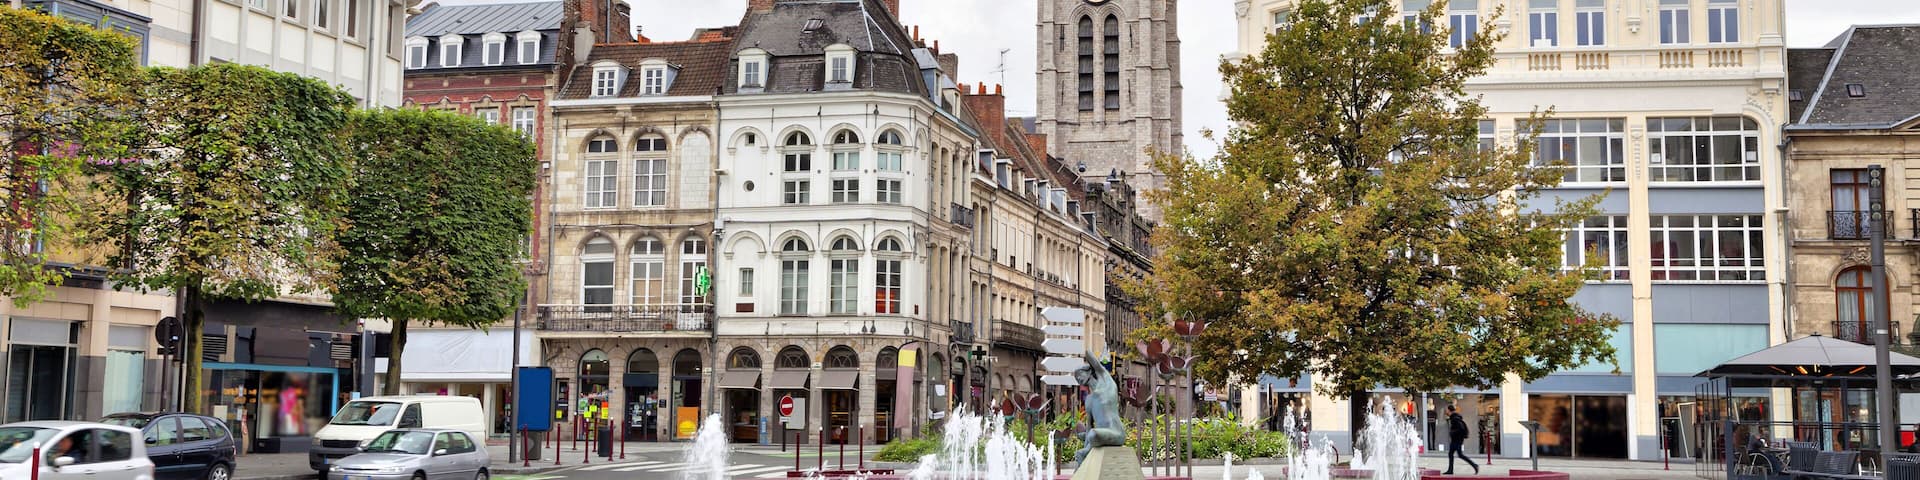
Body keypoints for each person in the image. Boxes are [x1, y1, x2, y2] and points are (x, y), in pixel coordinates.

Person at [1444, 405, 1479, 475]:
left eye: (1447, 410)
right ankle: (1450, 470)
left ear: (1449, 410)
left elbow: (1461, 428)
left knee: (1459, 455)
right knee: (1451, 454)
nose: (1446, 411)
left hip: (1457, 439)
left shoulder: (1455, 418)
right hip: (1456, 439)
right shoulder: (1454, 417)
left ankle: (1474, 465)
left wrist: (1452, 432)